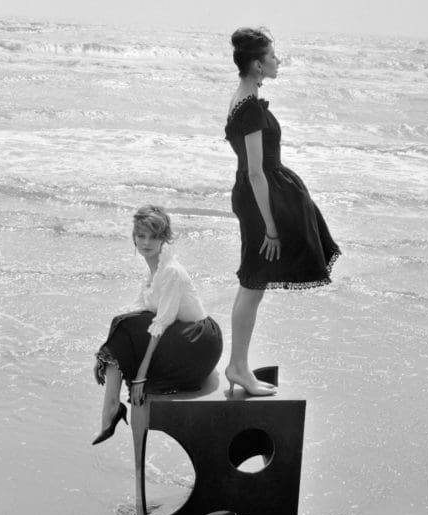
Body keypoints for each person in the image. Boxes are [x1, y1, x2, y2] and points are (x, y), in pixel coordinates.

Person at [224, 27, 341, 396]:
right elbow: (256, 171)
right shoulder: (250, 107)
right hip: (259, 199)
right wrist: (271, 227)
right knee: (252, 283)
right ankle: (237, 367)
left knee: (253, 284)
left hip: (256, 195)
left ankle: (239, 365)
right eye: (273, 56)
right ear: (258, 65)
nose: (278, 60)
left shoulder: (244, 99)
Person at [92, 205, 223, 445]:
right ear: (134, 237)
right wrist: (107, 352)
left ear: (164, 239)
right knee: (122, 324)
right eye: (141, 235)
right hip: (181, 336)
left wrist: (140, 377)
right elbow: (135, 311)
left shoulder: (170, 272)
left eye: (154, 236)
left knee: (124, 327)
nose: (146, 242)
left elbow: (161, 323)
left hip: (198, 344)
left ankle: (111, 407)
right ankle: (111, 405)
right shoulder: (154, 271)